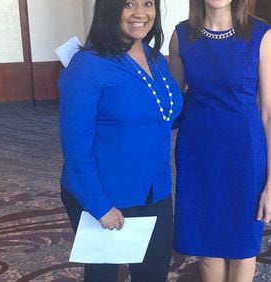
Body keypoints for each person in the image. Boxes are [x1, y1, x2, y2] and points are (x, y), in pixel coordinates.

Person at [58, 0, 182, 281]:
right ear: (110, 9)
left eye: (148, 3)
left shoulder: (155, 58)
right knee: (103, 276)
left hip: (155, 190)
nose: (141, 13)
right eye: (129, 4)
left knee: (152, 274)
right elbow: (75, 146)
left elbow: (164, 116)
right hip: (104, 192)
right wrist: (99, 205)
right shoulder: (88, 65)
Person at [169, 0, 271, 280]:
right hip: (197, 153)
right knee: (206, 246)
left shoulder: (261, 36)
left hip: (243, 153)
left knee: (242, 246)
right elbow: (171, 103)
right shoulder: (181, 36)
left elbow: (270, 115)